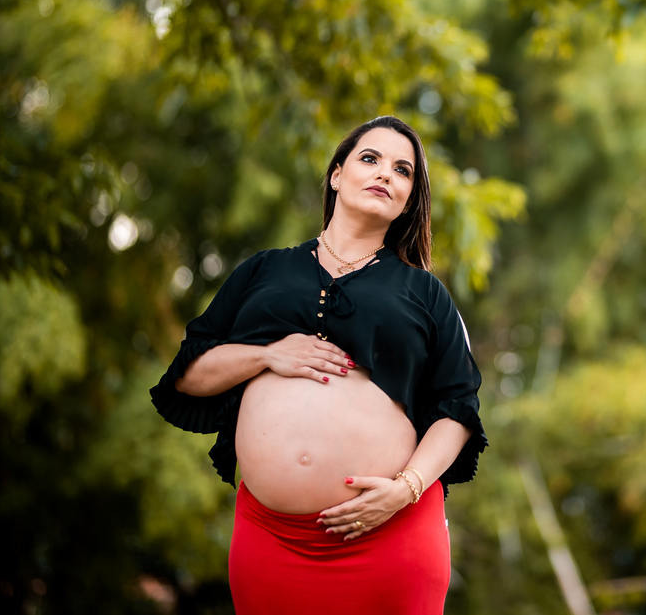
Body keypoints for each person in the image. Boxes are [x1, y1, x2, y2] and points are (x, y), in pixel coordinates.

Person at [150, 115, 486, 615]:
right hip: (271, 539)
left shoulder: (425, 292)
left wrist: (404, 490)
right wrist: (267, 354)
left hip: (390, 533)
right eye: (370, 159)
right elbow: (190, 372)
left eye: (403, 170)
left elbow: (457, 410)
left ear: (410, 198)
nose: (386, 174)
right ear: (336, 174)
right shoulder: (265, 270)